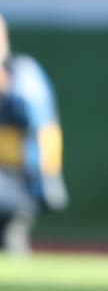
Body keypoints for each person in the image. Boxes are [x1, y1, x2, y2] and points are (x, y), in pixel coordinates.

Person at [0, 14, 68, 257]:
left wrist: (7, 88)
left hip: (22, 178)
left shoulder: (22, 71)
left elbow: (33, 113)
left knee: (9, 237)